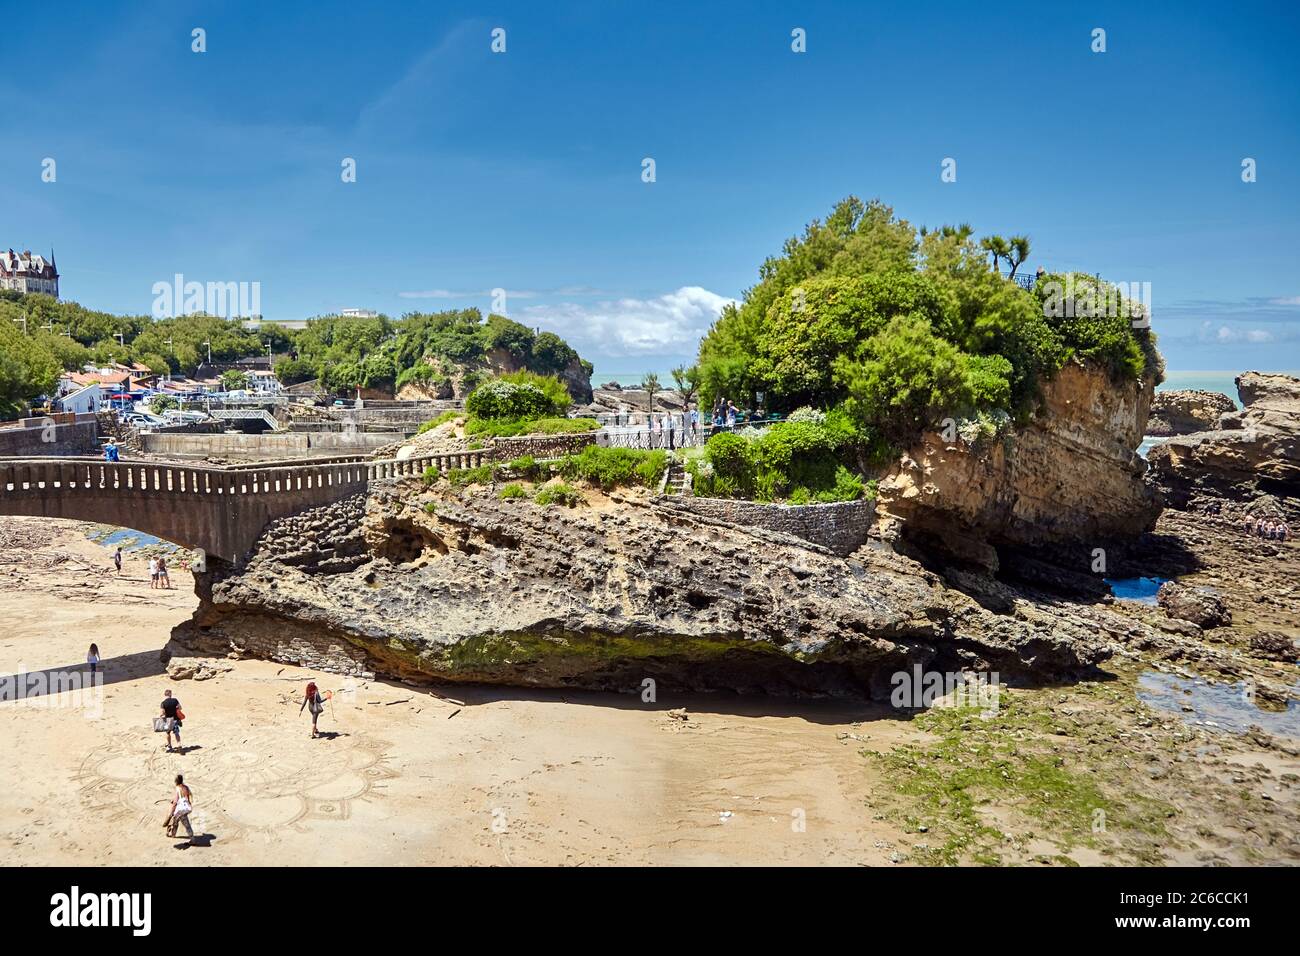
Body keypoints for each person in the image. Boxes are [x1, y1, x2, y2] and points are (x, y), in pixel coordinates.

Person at [165, 774, 194, 843]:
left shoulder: (178, 788)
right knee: (175, 820)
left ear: (176, 781)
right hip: (187, 807)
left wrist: (172, 811)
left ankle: (192, 839)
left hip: (181, 809)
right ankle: (172, 834)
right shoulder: (186, 787)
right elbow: (188, 796)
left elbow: (175, 802)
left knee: (184, 822)